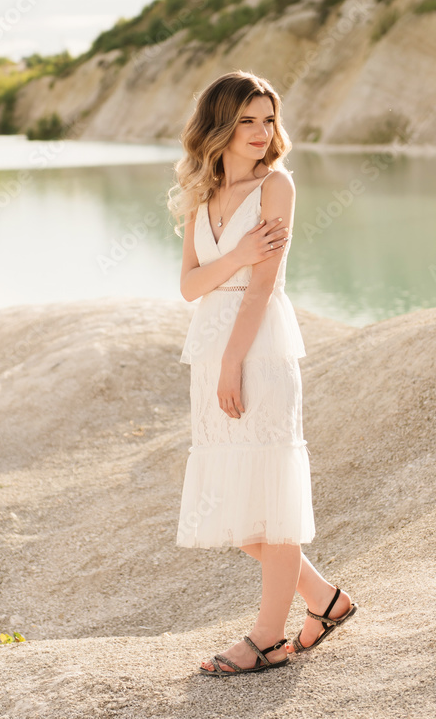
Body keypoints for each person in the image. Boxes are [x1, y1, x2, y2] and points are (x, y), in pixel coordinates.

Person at [167, 70, 357, 677]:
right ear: (218, 125)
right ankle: (325, 601)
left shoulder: (277, 185)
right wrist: (238, 255)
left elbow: (262, 287)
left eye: (267, 119)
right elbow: (190, 286)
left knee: (268, 501)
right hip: (212, 348)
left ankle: (268, 638)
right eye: (247, 119)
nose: (260, 131)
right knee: (241, 509)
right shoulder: (199, 194)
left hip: (259, 349)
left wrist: (233, 360)